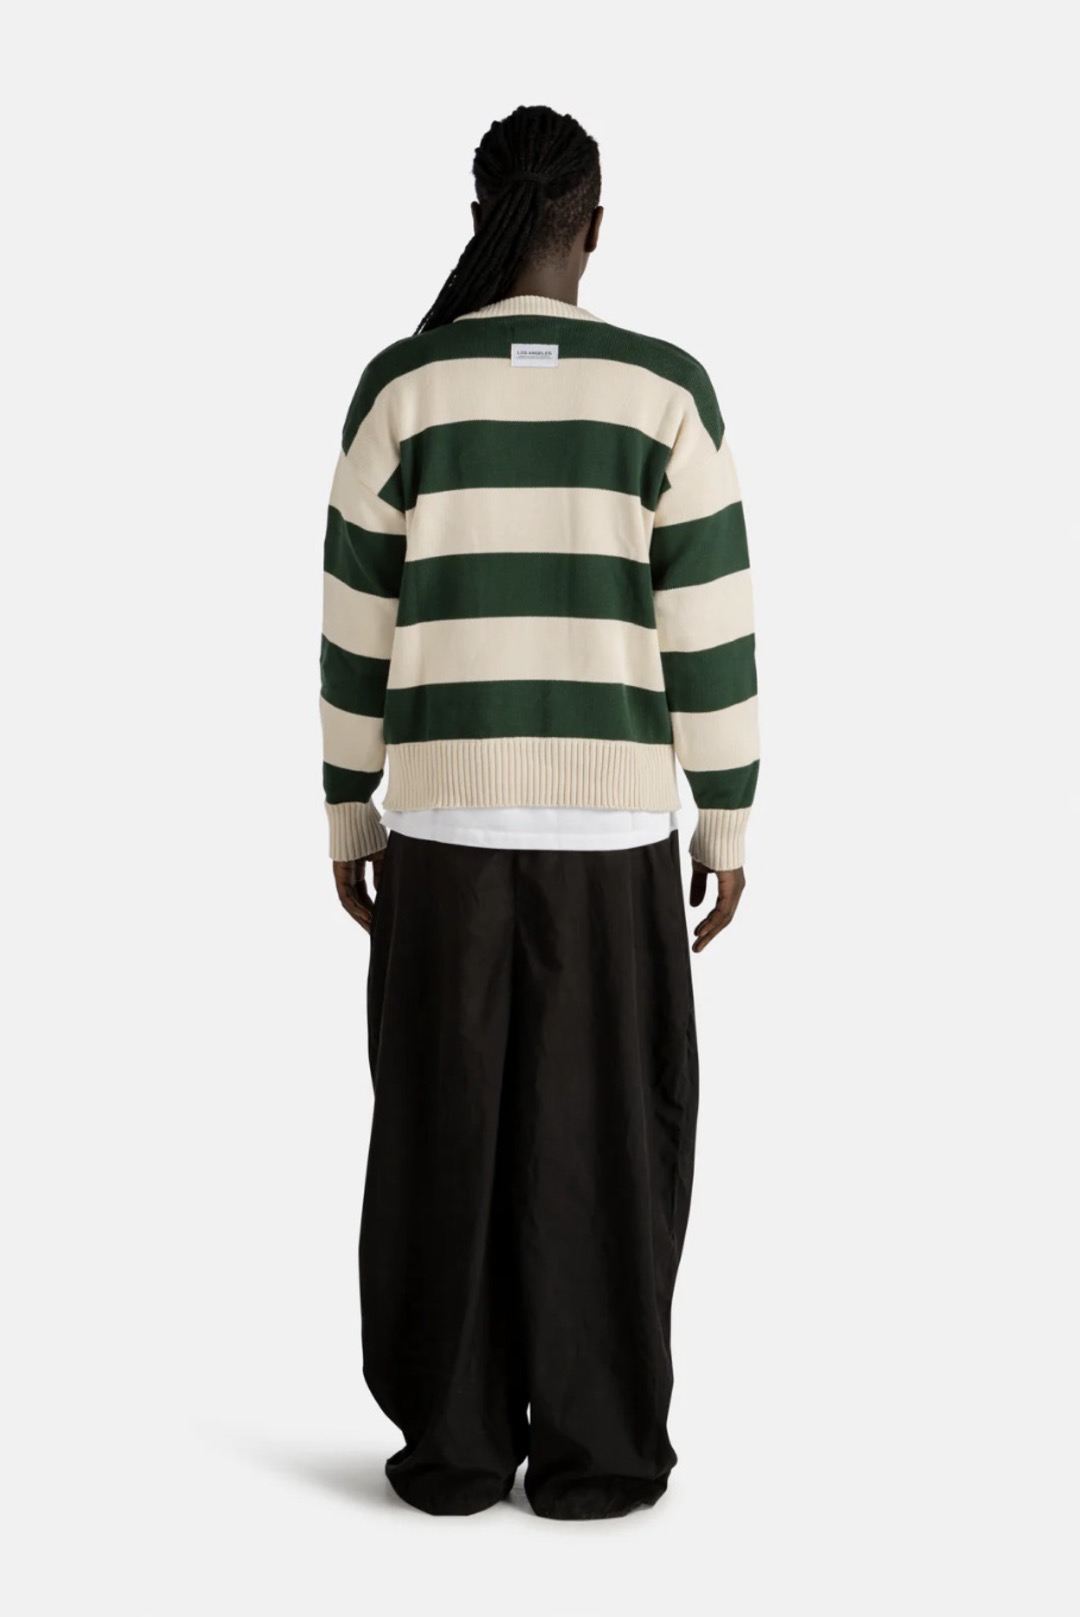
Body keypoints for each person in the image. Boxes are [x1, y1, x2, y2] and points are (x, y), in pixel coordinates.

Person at [318, 103, 760, 1520]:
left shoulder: (403, 388)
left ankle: (452, 1448)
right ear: (596, 223)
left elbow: (353, 625)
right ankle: (600, 1449)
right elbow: (710, 624)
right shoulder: (663, 391)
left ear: (481, 216)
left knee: (441, 1138)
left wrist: (350, 815)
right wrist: (726, 820)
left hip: (442, 840)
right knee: (607, 1147)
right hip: (611, 848)